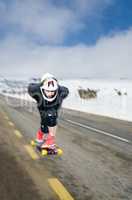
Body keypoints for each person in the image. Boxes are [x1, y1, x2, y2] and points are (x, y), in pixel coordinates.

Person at [28, 73, 69, 148]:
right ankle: (40, 136)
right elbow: (30, 86)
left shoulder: (61, 92)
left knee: (51, 118)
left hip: (54, 106)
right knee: (44, 123)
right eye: (48, 91)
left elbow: (66, 90)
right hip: (42, 106)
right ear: (42, 88)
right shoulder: (35, 90)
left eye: (52, 91)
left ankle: (50, 141)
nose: (50, 94)